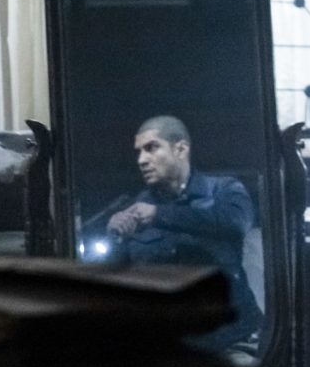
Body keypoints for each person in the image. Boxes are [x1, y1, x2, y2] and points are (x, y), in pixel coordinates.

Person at [106, 114, 263, 354]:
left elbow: (236, 222)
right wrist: (115, 236)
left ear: (180, 149)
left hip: (231, 340)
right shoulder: (137, 207)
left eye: (151, 148)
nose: (142, 160)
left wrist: (160, 215)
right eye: (139, 152)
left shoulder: (223, 190)